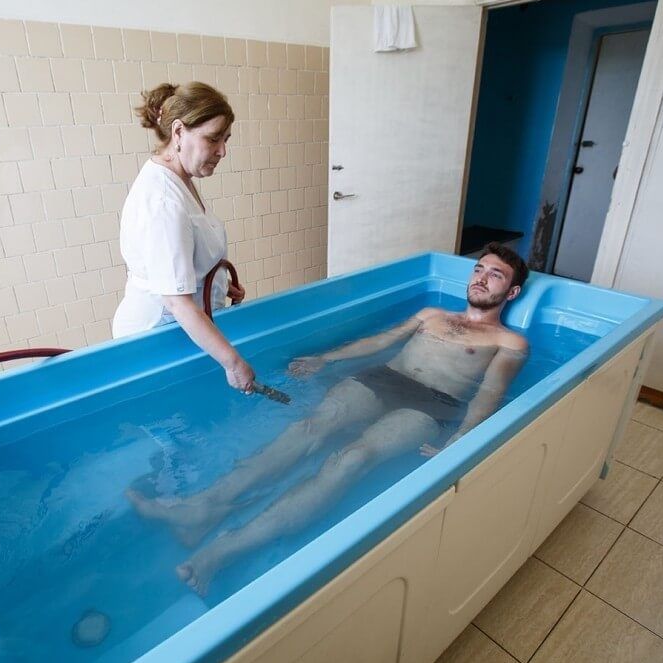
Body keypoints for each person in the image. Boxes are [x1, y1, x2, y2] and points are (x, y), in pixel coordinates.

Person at [129, 243, 530, 595]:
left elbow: (490, 392)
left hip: (433, 403)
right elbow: (381, 341)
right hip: (385, 378)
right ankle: (201, 507)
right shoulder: (431, 314)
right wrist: (327, 357)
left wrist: (460, 438)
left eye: (495, 275)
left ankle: (226, 548)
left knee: (353, 458)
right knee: (308, 427)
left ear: (511, 292)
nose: (481, 278)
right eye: (479, 269)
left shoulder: (509, 342)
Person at [112, 82, 254, 392]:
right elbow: (177, 302)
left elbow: (184, 252)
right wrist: (234, 363)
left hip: (183, 333)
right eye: (213, 138)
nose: (222, 151)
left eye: (226, 139)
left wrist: (219, 284)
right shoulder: (163, 201)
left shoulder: (179, 178)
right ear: (178, 132)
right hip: (155, 341)